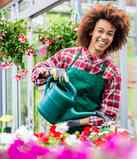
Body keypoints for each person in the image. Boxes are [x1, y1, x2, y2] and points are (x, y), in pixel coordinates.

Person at [32, 3, 130, 133]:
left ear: (114, 38)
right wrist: (51, 71)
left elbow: (108, 115)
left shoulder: (112, 72)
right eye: (100, 31)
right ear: (91, 31)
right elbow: (36, 75)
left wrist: (74, 123)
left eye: (110, 33)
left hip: (90, 136)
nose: (104, 37)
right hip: (57, 131)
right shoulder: (68, 55)